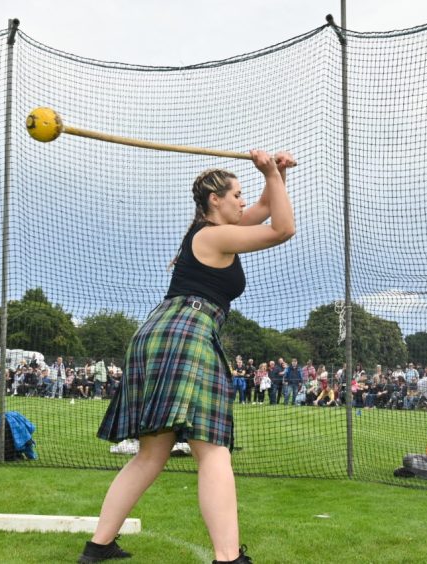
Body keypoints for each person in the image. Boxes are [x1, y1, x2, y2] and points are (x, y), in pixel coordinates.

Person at [81, 150, 295, 564]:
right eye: (236, 194)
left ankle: (97, 548)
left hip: (164, 333)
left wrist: (277, 176)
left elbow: (268, 207)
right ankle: (228, 558)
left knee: (152, 454)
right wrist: (270, 172)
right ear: (215, 199)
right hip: (187, 334)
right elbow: (283, 228)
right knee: (212, 448)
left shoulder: (212, 230)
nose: (242, 201)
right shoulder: (214, 236)